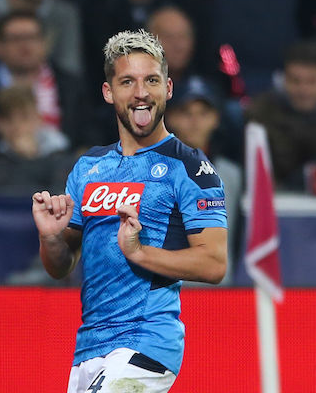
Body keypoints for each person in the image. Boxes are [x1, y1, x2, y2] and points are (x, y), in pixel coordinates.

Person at [31, 30, 227, 392]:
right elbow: (60, 266)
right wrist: (50, 237)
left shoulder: (190, 167)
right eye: (127, 82)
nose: (141, 93)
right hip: (89, 349)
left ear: (168, 88)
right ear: (109, 92)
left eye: (151, 80)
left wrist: (139, 252)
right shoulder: (88, 167)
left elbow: (214, 264)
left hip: (147, 342)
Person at [0, 11, 90, 178]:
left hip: (64, 174)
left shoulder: (71, 86)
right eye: (15, 39)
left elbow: (89, 137)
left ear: (45, 43)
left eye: (32, 37)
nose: (25, 46)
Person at [165, 76, 242, 286]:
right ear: (170, 117)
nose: (195, 121)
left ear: (216, 118)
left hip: (216, 292)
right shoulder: (153, 170)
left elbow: (237, 235)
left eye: (203, 113)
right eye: (186, 113)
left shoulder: (231, 174)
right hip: (167, 292)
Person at [246, 40, 316, 191]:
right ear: (282, 79)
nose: (303, 90)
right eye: (295, 81)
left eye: (311, 81)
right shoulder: (260, 112)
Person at [0, 85, 75, 196]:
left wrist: (30, 157)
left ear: (38, 119)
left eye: (24, 117)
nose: (16, 126)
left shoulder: (64, 161)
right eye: (8, 119)